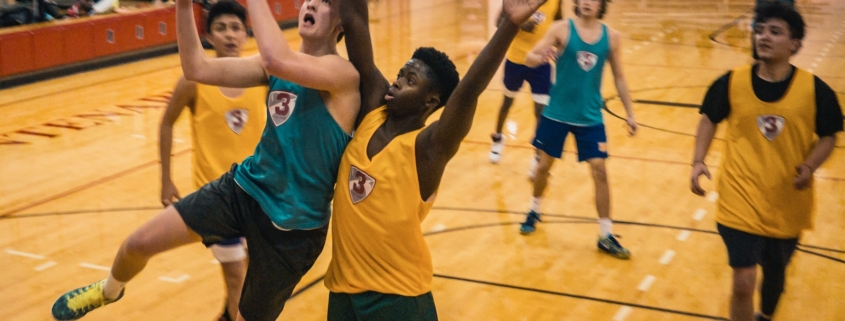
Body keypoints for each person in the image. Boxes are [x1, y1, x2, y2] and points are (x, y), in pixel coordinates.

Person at [50, 0, 360, 319]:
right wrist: (184, 8)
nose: (311, 4)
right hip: (245, 189)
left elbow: (275, 57)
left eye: (324, 3)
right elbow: (197, 68)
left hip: (295, 227)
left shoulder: (342, 75)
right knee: (137, 243)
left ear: (340, 23)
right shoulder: (275, 67)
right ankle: (108, 291)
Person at [324, 0, 546, 319]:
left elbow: (467, 92)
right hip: (343, 291)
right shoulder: (373, 109)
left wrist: (508, 26)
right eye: (401, 74)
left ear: (431, 102)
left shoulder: (428, 149)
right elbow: (356, 19)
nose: (398, 81)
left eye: (410, 81)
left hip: (398, 298)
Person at [691, 3, 842, 321]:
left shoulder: (816, 91)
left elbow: (829, 135)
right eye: (760, 30)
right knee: (744, 282)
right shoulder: (731, 83)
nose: (764, 36)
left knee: (774, 277)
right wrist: (698, 160)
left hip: (787, 200)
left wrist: (810, 165)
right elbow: (708, 118)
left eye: (775, 31)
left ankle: (766, 315)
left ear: (795, 44)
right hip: (739, 197)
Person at [157, 2, 266, 319]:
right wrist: (166, 178)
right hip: (215, 197)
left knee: (248, 278)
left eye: (235, 28)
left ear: (246, 34)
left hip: (258, 193)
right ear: (207, 36)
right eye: (221, 28)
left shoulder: (263, 78)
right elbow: (166, 123)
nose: (230, 35)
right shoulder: (193, 81)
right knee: (238, 279)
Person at [517, 0, 637, 260]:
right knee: (543, 166)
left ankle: (606, 235)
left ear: (602, 4)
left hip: (590, 117)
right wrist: (540, 57)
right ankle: (534, 209)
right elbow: (530, 56)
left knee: (600, 170)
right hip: (557, 113)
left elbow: (619, 76)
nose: (586, 2)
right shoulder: (561, 29)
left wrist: (629, 113)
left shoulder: (612, 38)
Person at [488, 0, 562, 173]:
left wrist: (560, 48)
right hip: (516, 61)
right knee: (507, 103)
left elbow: (560, 24)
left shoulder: (555, 2)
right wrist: (521, 24)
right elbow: (498, 22)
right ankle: (498, 138)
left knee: (540, 111)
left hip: (541, 63)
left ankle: (537, 155)